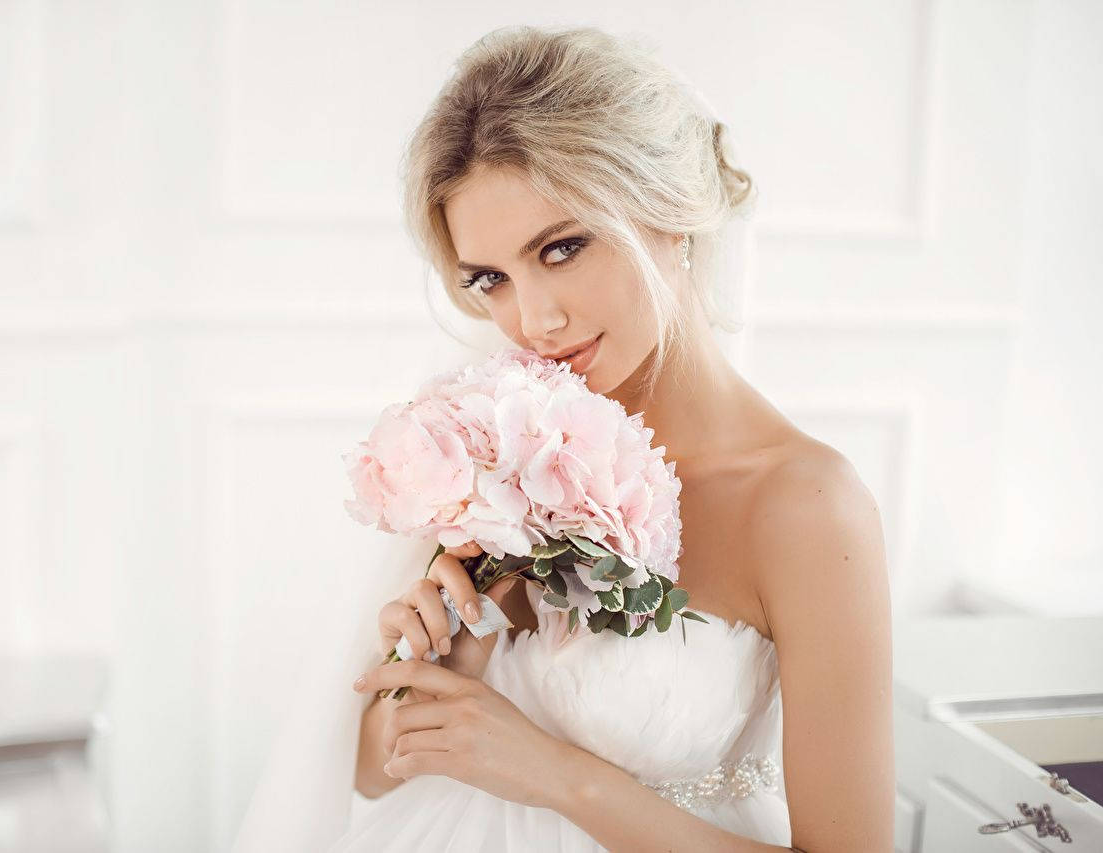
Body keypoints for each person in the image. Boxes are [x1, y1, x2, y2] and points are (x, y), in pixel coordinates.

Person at [231, 23, 893, 853]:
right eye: (490, 279)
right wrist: (439, 674)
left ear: (670, 213)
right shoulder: (503, 452)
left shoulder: (807, 506)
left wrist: (554, 775)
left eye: (563, 248)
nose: (533, 321)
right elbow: (366, 770)